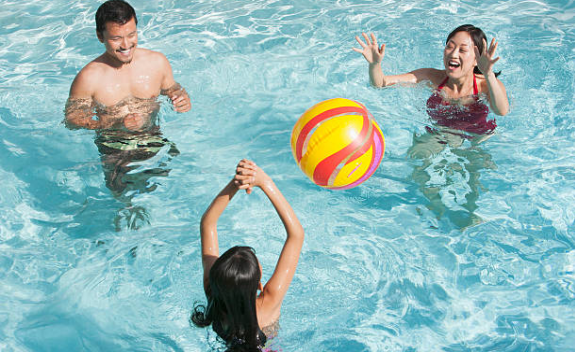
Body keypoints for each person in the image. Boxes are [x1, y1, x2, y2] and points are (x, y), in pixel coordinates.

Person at [192, 159, 304, 352]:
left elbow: (207, 224)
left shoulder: (214, 295)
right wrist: (265, 182)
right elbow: (297, 235)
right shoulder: (268, 302)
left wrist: (235, 183)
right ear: (259, 284)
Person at [353, 24, 509, 137]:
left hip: (478, 133)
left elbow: (501, 111)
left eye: (462, 50)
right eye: (450, 46)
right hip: (441, 131)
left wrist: (488, 74)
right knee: (419, 156)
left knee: (475, 172)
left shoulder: (486, 84)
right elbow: (381, 84)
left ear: (477, 59)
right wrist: (374, 65)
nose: (453, 54)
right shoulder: (431, 77)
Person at [64, 0, 191, 131]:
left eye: (131, 35)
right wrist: (117, 124)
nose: (126, 45)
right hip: (113, 145)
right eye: (116, 38)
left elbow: (172, 88)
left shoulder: (157, 62)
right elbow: (72, 120)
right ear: (100, 36)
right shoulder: (89, 78)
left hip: (154, 137)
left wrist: (181, 99)